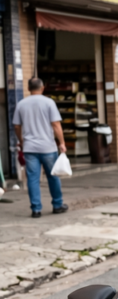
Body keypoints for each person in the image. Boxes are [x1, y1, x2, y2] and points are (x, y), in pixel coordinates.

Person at [13, 77, 67, 218]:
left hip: (29, 148)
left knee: (32, 179)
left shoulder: (21, 104)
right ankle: (57, 205)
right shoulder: (49, 102)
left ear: (28, 88)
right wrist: (62, 142)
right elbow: (56, 124)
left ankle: (36, 209)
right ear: (42, 88)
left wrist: (21, 141)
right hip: (48, 147)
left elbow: (17, 126)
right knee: (53, 176)